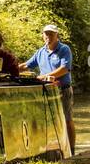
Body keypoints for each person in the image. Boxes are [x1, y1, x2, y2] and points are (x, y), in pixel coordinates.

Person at [23, 24, 76, 154]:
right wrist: (10, 68)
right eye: (46, 34)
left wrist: (44, 76)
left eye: (51, 34)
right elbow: (26, 65)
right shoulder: (41, 52)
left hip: (62, 90)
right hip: (45, 91)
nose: (48, 36)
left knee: (67, 119)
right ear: (42, 35)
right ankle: (51, 150)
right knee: (46, 121)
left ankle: (72, 151)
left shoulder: (64, 49)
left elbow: (65, 69)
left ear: (57, 35)